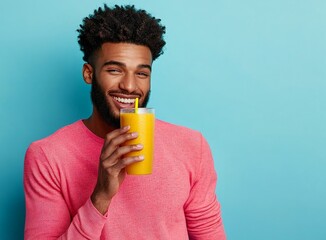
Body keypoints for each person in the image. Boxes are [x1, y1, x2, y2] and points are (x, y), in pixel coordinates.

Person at [23, 4, 226, 239]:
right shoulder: (47, 156)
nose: (130, 86)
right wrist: (100, 197)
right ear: (89, 73)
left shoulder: (192, 146)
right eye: (115, 70)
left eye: (141, 73)